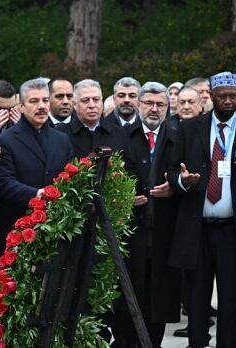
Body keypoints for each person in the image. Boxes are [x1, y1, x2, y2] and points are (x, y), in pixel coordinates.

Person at [167, 71, 236, 348]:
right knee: (196, 297)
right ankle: (196, 342)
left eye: (233, 96)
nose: (228, 101)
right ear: (211, 96)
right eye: (223, 97)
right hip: (196, 227)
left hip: (230, 229)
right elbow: (172, 170)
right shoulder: (190, 128)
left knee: (231, 297)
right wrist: (181, 181)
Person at [113, 82, 180, 347]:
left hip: (163, 234)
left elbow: (185, 175)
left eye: (160, 105)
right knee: (128, 299)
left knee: (159, 300)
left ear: (167, 108)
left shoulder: (176, 137)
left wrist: (176, 185)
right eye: (149, 103)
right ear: (140, 105)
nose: (154, 109)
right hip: (131, 233)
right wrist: (124, 196)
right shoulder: (121, 136)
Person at [0, 77, 72, 290]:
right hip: (18, 228)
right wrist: (39, 194)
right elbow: (5, 184)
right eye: (34, 101)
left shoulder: (61, 139)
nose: (41, 106)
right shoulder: (6, 140)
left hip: (54, 229)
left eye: (45, 100)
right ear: (21, 106)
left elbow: (70, 179)